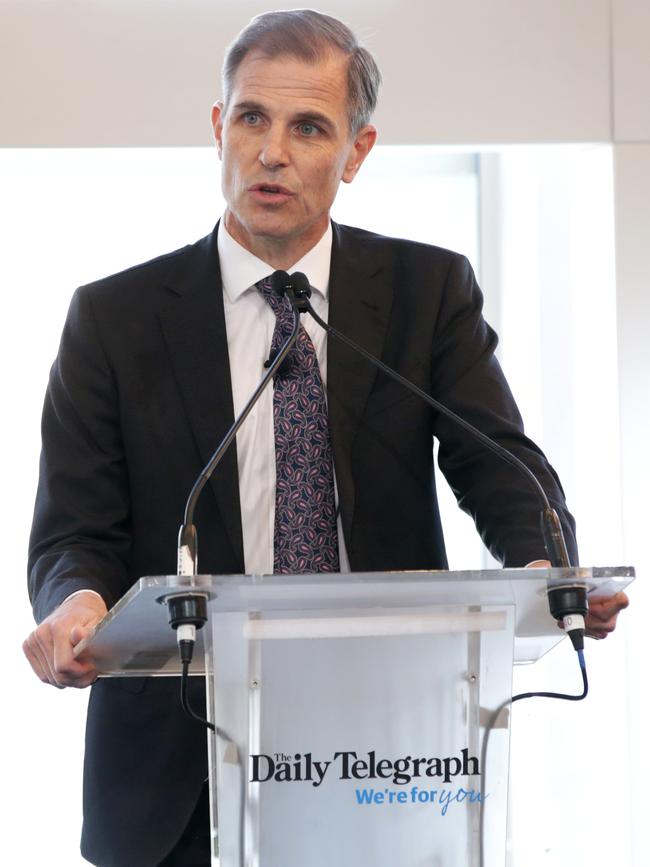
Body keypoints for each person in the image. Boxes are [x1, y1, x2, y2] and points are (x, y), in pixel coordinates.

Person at [22, 9, 628, 867]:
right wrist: (76, 601)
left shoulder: (428, 290)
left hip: (389, 750)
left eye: (309, 127)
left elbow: (503, 470)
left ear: (357, 151)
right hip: (173, 771)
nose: (272, 152)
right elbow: (73, 531)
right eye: (251, 119)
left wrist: (540, 566)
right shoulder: (112, 318)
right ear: (216, 128)